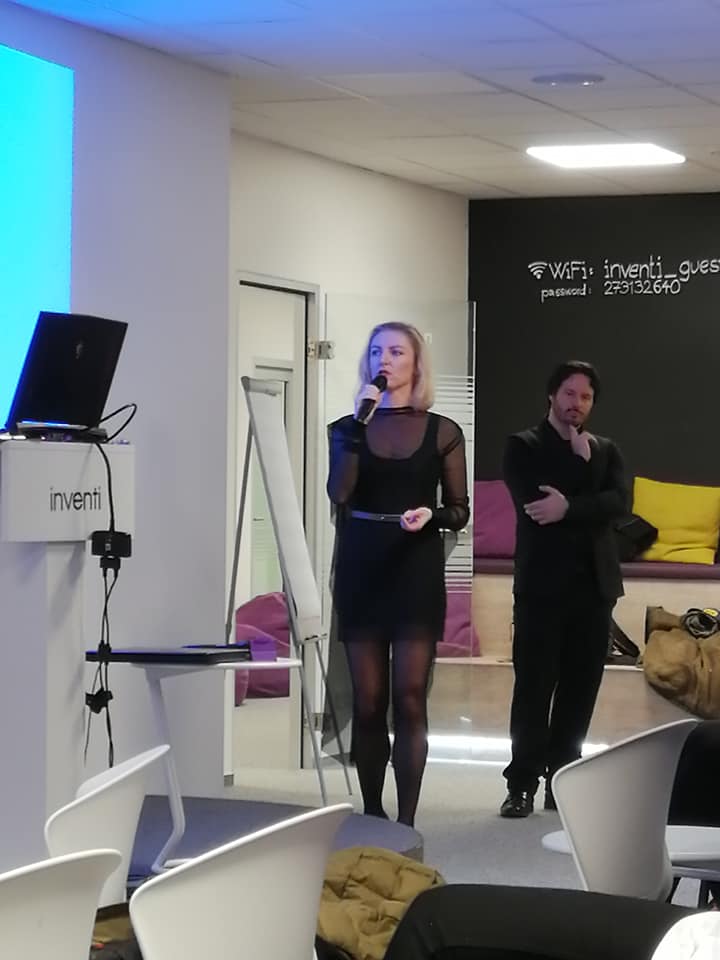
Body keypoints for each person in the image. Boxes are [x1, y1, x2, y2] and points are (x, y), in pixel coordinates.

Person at [326, 321, 469, 827]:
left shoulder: (443, 431)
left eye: (395, 352)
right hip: (362, 564)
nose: (383, 360)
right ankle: (371, 811)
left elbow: (459, 510)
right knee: (368, 702)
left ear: (416, 364)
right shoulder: (346, 428)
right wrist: (357, 428)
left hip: (415, 566)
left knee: (408, 699)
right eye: (375, 352)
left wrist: (432, 515)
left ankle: (406, 821)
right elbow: (340, 494)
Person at [500, 360, 627, 818]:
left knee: (580, 688)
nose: (577, 403)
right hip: (541, 587)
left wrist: (571, 505)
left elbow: (620, 503)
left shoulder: (604, 450)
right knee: (533, 688)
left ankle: (563, 781)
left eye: (586, 397)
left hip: (594, 587)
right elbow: (538, 506)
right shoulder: (524, 445)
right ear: (552, 395)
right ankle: (521, 783)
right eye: (570, 394)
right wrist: (581, 491)